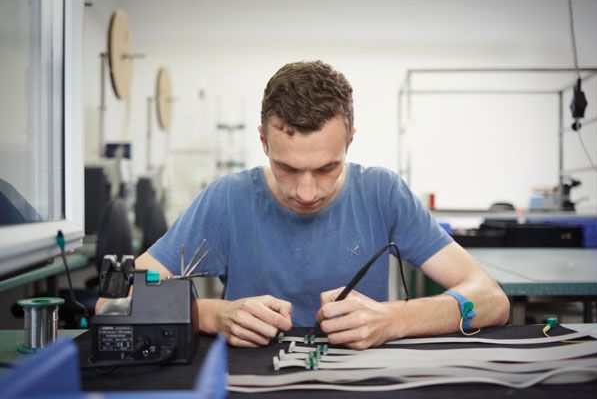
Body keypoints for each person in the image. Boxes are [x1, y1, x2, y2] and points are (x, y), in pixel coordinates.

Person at [101, 61, 509, 349]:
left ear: (350, 141)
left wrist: (393, 320)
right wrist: (208, 314)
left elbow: (492, 300)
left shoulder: (383, 193)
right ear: (263, 142)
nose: (308, 192)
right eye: (288, 168)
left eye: (327, 167)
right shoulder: (227, 200)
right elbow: (112, 303)